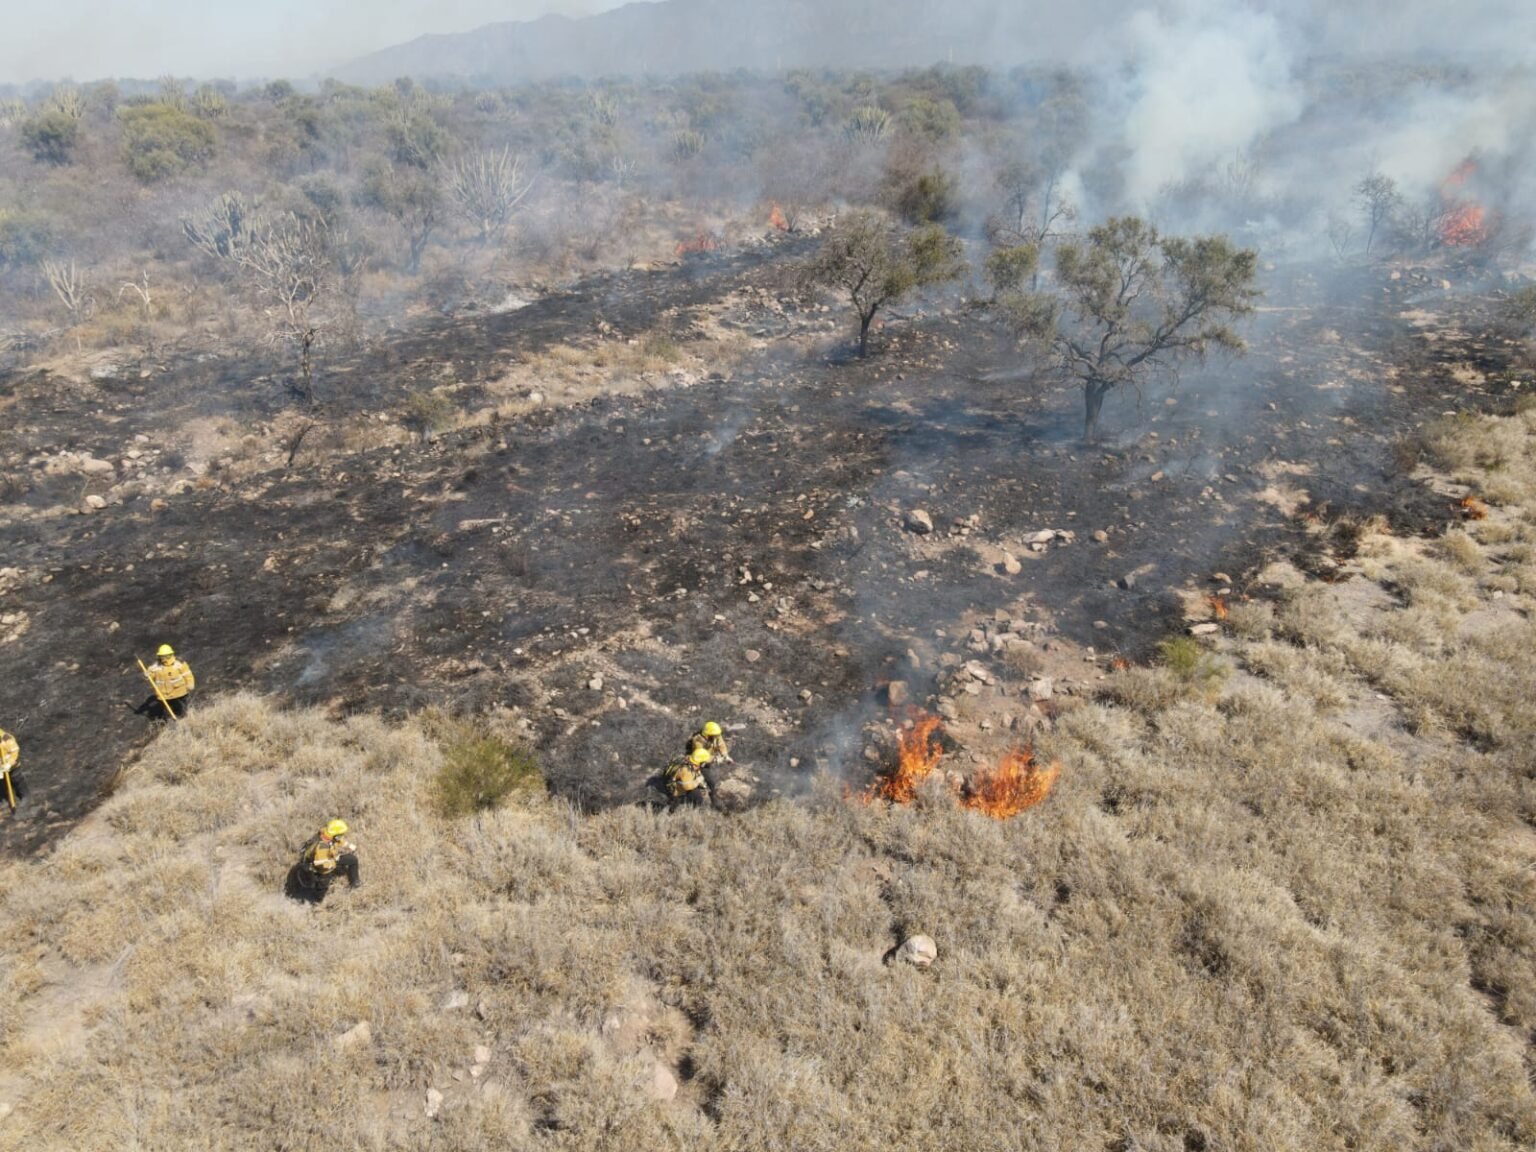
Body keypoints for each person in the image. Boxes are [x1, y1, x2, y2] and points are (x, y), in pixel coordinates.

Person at [297, 819, 361, 893]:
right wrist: (334, 861)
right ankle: (318, 897)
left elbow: (339, 840)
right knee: (323, 886)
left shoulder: (327, 833)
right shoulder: (322, 846)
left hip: (330, 858)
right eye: (341, 834)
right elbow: (321, 865)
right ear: (335, 835)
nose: (342, 836)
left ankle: (355, 883)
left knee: (353, 860)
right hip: (320, 868)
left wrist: (349, 845)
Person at [138, 643, 196, 719]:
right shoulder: (155, 667)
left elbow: (187, 674)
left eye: (167, 656)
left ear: (171, 654)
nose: (165, 658)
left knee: (182, 710)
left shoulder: (179, 664)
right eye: (162, 656)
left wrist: (190, 684)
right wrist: (147, 675)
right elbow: (151, 676)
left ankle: (185, 721)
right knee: (168, 713)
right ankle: (171, 725)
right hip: (164, 695)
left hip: (179, 693)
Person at [0, 726, 18, 807]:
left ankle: (20, 796)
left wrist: (9, 763)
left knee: (16, 780)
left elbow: (15, 752)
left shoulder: (7, 739)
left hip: (10, 766)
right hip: (1, 767)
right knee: (1, 783)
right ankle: (2, 799)